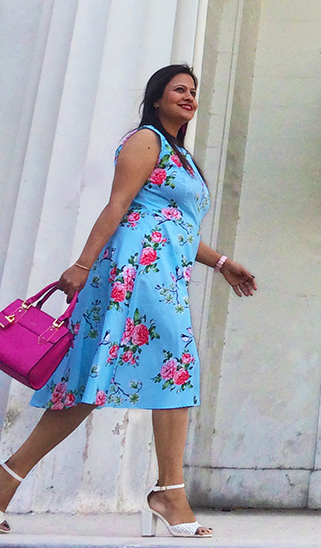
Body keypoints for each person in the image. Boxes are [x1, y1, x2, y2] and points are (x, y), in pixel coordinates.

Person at [0, 64, 256, 538]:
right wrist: (79, 265)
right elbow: (118, 206)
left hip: (161, 271)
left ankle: (3, 481)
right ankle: (169, 493)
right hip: (135, 271)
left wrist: (221, 263)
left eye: (194, 91)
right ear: (157, 97)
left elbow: (178, 225)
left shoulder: (180, 155)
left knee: (84, 384)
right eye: (179, 89)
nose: (189, 96)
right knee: (178, 365)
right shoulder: (146, 140)